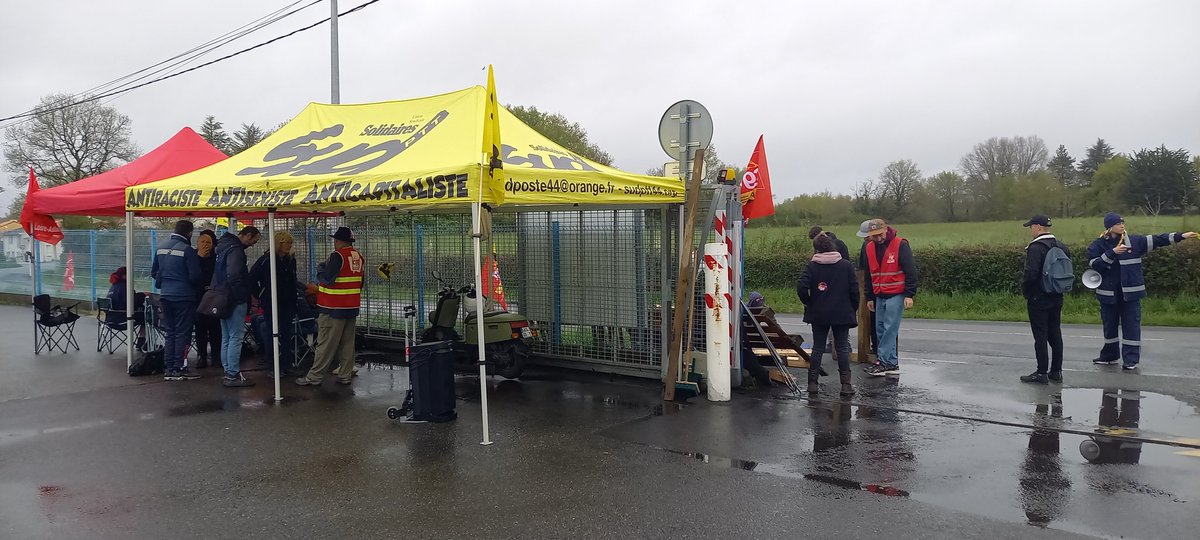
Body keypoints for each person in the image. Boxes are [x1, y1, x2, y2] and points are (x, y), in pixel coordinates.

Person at [1086, 213, 1197, 370]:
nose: (1122, 225)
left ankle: (1131, 360)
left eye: (1123, 222)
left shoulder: (1135, 242)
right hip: (1108, 295)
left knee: (1131, 327)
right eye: (1118, 223)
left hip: (1131, 295)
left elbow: (1159, 239)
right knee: (1109, 327)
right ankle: (1109, 357)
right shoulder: (1098, 245)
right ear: (1109, 227)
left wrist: (1181, 236)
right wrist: (1112, 253)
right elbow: (1094, 264)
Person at [297, 227, 364, 386]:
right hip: (351, 306)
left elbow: (327, 279)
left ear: (339, 241)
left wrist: (320, 269)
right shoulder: (358, 256)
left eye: (335, 240)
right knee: (348, 343)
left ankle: (314, 377)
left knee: (325, 343)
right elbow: (360, 283)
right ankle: (345, 375)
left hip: (333, 307)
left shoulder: (337, 256)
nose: (334, 242)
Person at [796, 233, 858, 396]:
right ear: (833, 247)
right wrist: (852, 307)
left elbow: (801, 287)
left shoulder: (812, 266)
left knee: (817, 347)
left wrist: (809, 302)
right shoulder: (845, 266)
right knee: (842, 348)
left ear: (816, 249)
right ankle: (845, 385)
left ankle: (812, 384)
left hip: (819, 313)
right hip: (842, 312)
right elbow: (854, 290)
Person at [857, 218, 918, 377]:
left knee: (890, 329)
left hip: (896, 293)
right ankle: (890, 362)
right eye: (874, 236)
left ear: (885, 230)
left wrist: (909, 294)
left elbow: (910, 271)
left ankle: (883, 362)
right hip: (879, 295)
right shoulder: (869, 248)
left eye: (880, 235)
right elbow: (869, 276)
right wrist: (869, 297)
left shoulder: (900, 244)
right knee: (880, 329)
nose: (878, 239)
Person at [1020, 215, 1070, 384]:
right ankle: (1056, 371)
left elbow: (1031, 274)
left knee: (1040, 335)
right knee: (1055, 333)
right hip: (1057, 294)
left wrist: (1026, 291)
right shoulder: (1061, 245)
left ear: (1038, 227)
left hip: (1039, 296)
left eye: (1031, 227)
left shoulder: (1036, 247)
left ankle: (1041, 372)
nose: (1030, 230)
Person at [150, 220, 203, 381]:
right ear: (189, 233)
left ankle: (169, 368)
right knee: (183, 333)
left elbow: (154, 272)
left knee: (170, 332)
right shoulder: (187, 250)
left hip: (165, 295)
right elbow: (195, 276)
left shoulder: (160, 247)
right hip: (184, 297)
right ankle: (180, 368)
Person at [215, 225, 260, 387]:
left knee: (226, 336)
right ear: (248, 235)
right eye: (255, 240)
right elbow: (234, 275)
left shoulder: (223, 248)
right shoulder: (236, 251)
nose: (254, 243)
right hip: (234, 299)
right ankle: (233, 374)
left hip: (222, 297)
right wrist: (242, 296)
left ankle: (228, 371)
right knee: (235, 337)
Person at [250, 231, 300, 375]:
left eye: (291, 243)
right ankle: (272, 365)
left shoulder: (290, 260)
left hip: (288, 301)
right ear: (279, 243)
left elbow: (292, 280)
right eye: (287, 243)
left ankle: (286, 363)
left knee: (286, 333)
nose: (290, 246)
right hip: (271, 302)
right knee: (273, 332)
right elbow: (252, 277)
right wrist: (260, 293)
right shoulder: (267, 259)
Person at [193, 229, 221, 369]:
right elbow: (192, 275)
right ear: (197, 243)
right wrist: (198, 258)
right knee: (200, 329)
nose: (205, 244)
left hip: (214, 297)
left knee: (216, 329)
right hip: (198, 298)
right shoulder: (192, 256)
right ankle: (201, 356)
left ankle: (216, 357)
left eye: (208, 242)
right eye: (202, 242)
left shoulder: (216, 258)